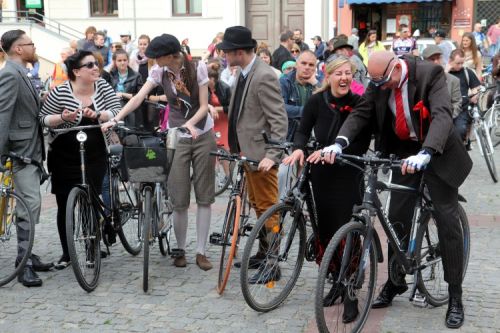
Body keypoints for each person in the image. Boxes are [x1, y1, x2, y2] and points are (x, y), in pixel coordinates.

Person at [322, 50, 472, 329]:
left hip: (437, 150)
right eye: (376, 82)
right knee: (396, 218)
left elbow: (442, 116)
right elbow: (361, 112)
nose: (381, 87)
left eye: (385, 81)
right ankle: (395, 282)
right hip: (404, 151)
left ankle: (455, 297)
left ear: (397, 67)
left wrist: (427, 152)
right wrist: (339, 142)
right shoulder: (379, 81)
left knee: (446, 217)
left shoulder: (430, 74)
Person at [102, 34, 216, 271]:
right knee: (179, 196)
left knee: (204, 195)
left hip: (203, 134)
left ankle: (201, 252)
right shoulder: (159, 72)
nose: (153, 60)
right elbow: (138, 98)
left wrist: (190, 124)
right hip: (177, 137)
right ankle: (180, 249)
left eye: (157, 56)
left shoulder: (198, 68)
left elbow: (204, 106)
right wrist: (116, 118)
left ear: (170, 55)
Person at [283, 56, 371, 317]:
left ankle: (351, 290)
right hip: (321, 174)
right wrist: (299, 149)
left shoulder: (359, 104)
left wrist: (341, 153)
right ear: (328, 75)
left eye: (349, 73)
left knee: (348, 231)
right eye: (339, 73)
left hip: (349, 173)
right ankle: (335, 281)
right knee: (326, 231)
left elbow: (362, 140)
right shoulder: (315, 101)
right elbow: (302, 130)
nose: (344, 78)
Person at [217, 26, 288, 282]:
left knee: (269, 207)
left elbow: (279, 120)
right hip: (248, 153)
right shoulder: (243, 72)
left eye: (226, 51)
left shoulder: (263, 75)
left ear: (239, 52)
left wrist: (274, 153)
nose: (223, 54)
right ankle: (263, 252)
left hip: (262, 156)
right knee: (258, 205)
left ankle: (273, 262)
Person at [40, 50, 121, 270]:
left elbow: (117, 110)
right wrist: (63, 118)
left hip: (95, 151)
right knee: (64, 203)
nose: (96, 67)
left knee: (91, 200)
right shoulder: (60, 92)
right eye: (90, 65)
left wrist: (99, 115)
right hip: (64, 153)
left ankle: (91, 249)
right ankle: (67, 253)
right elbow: (43, 119)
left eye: (96, 64)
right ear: (76, 71)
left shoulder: (102, 86)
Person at [0, 29, 54, 287]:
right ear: (19, 49)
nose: (35, 47)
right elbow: (3, 115)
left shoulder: (22, 72)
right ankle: (24, 265)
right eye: (30, 43)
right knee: (29, 205)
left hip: (30, 149)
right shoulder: (10, 74)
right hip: (19, 151)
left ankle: (28, 253)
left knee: (31, 205)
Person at [278, 50, 318, 199]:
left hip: (311, 138)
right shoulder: (285, 82)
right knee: (284, 172)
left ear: (315, 68)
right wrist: (308, 112)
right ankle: (279, 210)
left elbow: (327, 104)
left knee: (307, 177)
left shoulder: (316, 84)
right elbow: (282, 108)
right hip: (288, 135)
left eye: (311, 65)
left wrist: (317, 84)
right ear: (296, 64)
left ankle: (302, 208)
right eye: (303, 63)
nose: (307, 67)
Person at [447, 49, 481, 147]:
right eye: (458, 63)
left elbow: (477, 87)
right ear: (450, 61)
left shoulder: (467, 72)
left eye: (462, 63)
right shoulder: (443, 72)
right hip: (446, 108)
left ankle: (459, 151)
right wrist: (445, 71)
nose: (460, 66)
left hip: (462, 109)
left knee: (460, 130)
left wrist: (475, 95)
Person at [422, 45, 462, 121]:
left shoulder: (453, 80)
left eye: (438, 58)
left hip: (446, 121)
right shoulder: (419, 81)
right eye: (432, 59)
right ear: (424, 61)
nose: (436, 62)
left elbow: (457, 103)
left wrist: (446, 118)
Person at [109, 49, 143, 128]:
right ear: (115, 62)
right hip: (113, 107)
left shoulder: (136, 75)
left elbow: (141, 96)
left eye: (125, 60)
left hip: (131, 109)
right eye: (119, 60)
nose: (122, 62)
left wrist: (123, 94)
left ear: (128, 61)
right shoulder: (110, 75)